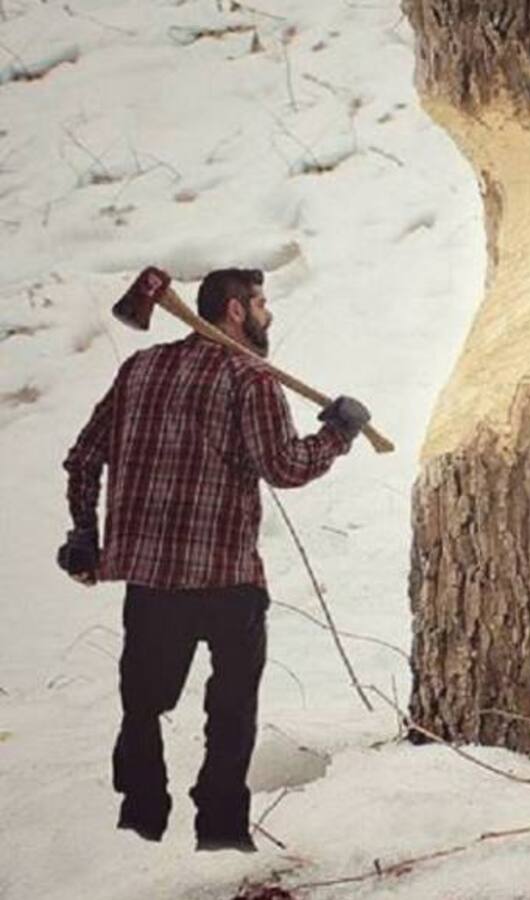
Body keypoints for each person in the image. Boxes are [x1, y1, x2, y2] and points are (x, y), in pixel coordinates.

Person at [58, 268, 370, 852]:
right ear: (233, 311)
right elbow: (285, 468)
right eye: (260, 304)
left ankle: (141, 819)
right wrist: (338, 434)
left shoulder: (140, 370)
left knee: (142, 704)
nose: (267, 315)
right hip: (227, 578)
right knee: (231, 710)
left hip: (150, 579)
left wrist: (84, 530)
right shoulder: (251, 379)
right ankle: (222, 831)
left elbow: (83, 457)